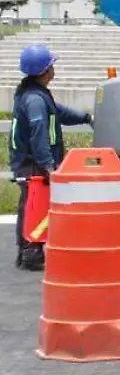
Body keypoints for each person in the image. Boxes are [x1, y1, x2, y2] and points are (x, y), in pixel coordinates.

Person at [9, 44, 92, 271]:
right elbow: (39, 134)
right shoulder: (35, 100)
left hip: (29, 163)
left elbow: (60, 112)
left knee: (30, 205)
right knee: (35, 206)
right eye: (52, 65)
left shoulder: (35, 95)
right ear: (45, 70)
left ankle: (27, 250)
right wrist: (48, 166)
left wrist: (86, 118)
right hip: (33, 164)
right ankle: (31, 253)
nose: (54, 68)